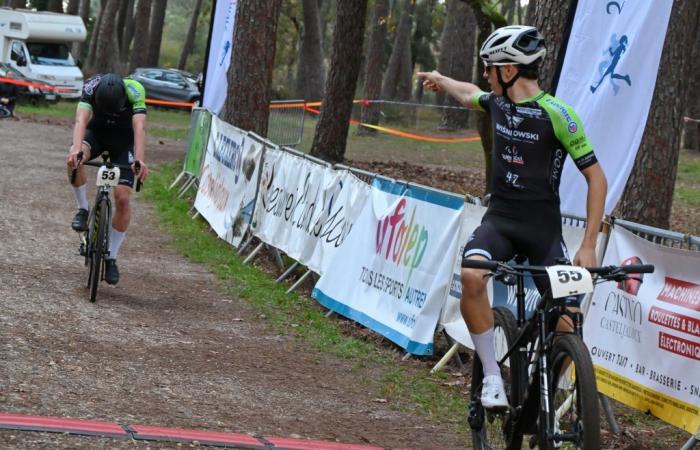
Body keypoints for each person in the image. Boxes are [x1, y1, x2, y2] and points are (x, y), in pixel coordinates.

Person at [417, 25, 607, 410]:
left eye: (489, 68)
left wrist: (588, 244)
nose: (485, 75)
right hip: (500, 223)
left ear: (508, 71)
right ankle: (491, 376)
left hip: (543, 231)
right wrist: (441, 79)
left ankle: (545, 397)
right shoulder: (498, 103)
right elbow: (470, 93)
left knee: (569, 321)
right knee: (472, 274)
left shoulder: (559, 115)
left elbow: (596, 178)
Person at [66, 73, 149, 285]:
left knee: (122, 199)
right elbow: (81, 120)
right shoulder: (91, 87)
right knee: (73, 159)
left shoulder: (135, 90)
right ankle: (83, 209)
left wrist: (139, 160)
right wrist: (76, 150)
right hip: (98, 135)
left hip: (124, 144)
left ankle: (111, 257)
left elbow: (139, 127)